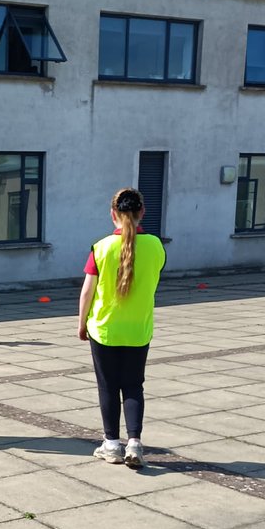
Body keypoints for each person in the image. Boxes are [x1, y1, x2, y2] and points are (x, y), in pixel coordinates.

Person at [77, 186, 166, 468]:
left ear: (112, 214)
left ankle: (112, 444)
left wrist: (82, 324)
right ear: (142, 213)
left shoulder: (101, 247)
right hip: (138, 329)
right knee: (133, 386)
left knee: (108, 386)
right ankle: (135, 443)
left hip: (105, 329)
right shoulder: (156, 246)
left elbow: (87, 291)